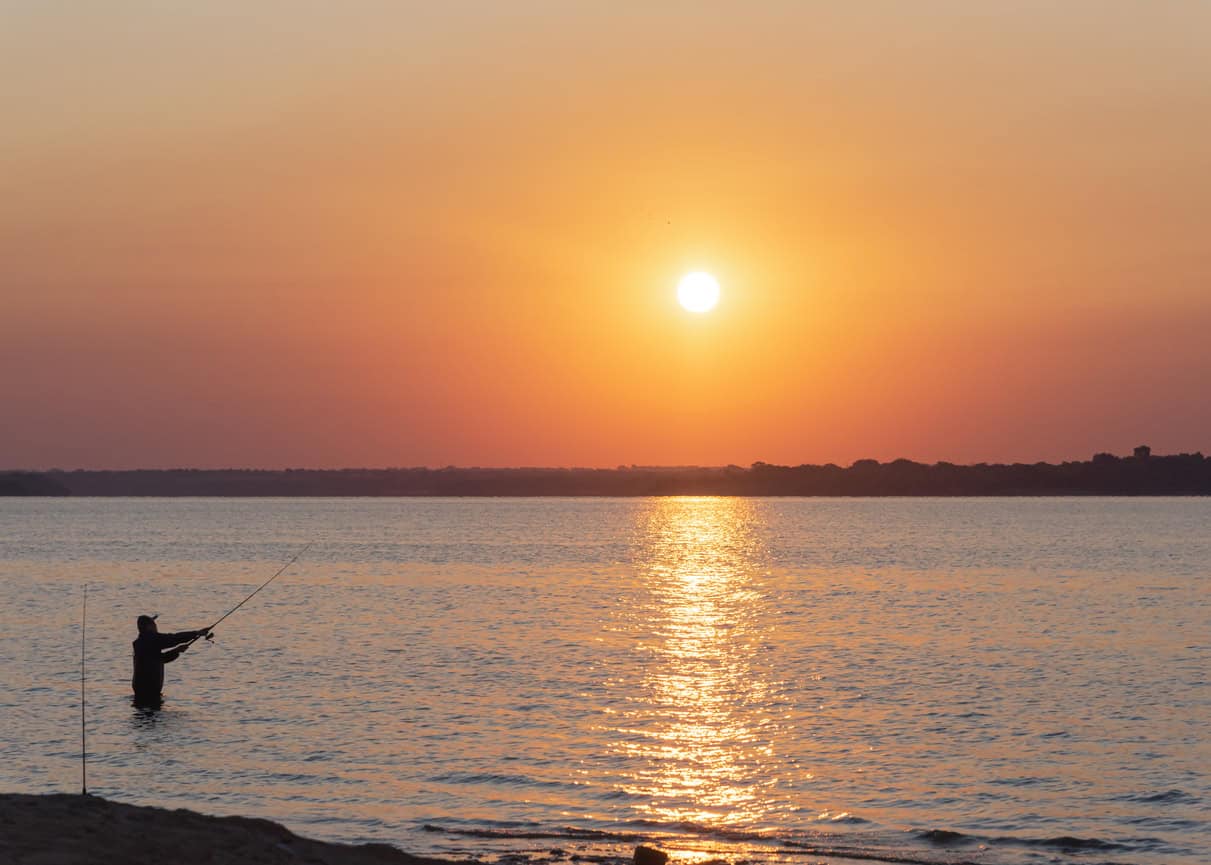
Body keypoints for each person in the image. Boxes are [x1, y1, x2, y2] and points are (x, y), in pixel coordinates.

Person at [131, 615, 210, 705]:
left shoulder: (140, 642)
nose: (156, 627)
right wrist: (196, 633)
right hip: (149, 689)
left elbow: (160, 659)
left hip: (142, 688)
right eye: (154, 624)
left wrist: (177, 651)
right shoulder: (151, 639)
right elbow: (173, 638)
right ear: (149, 626)